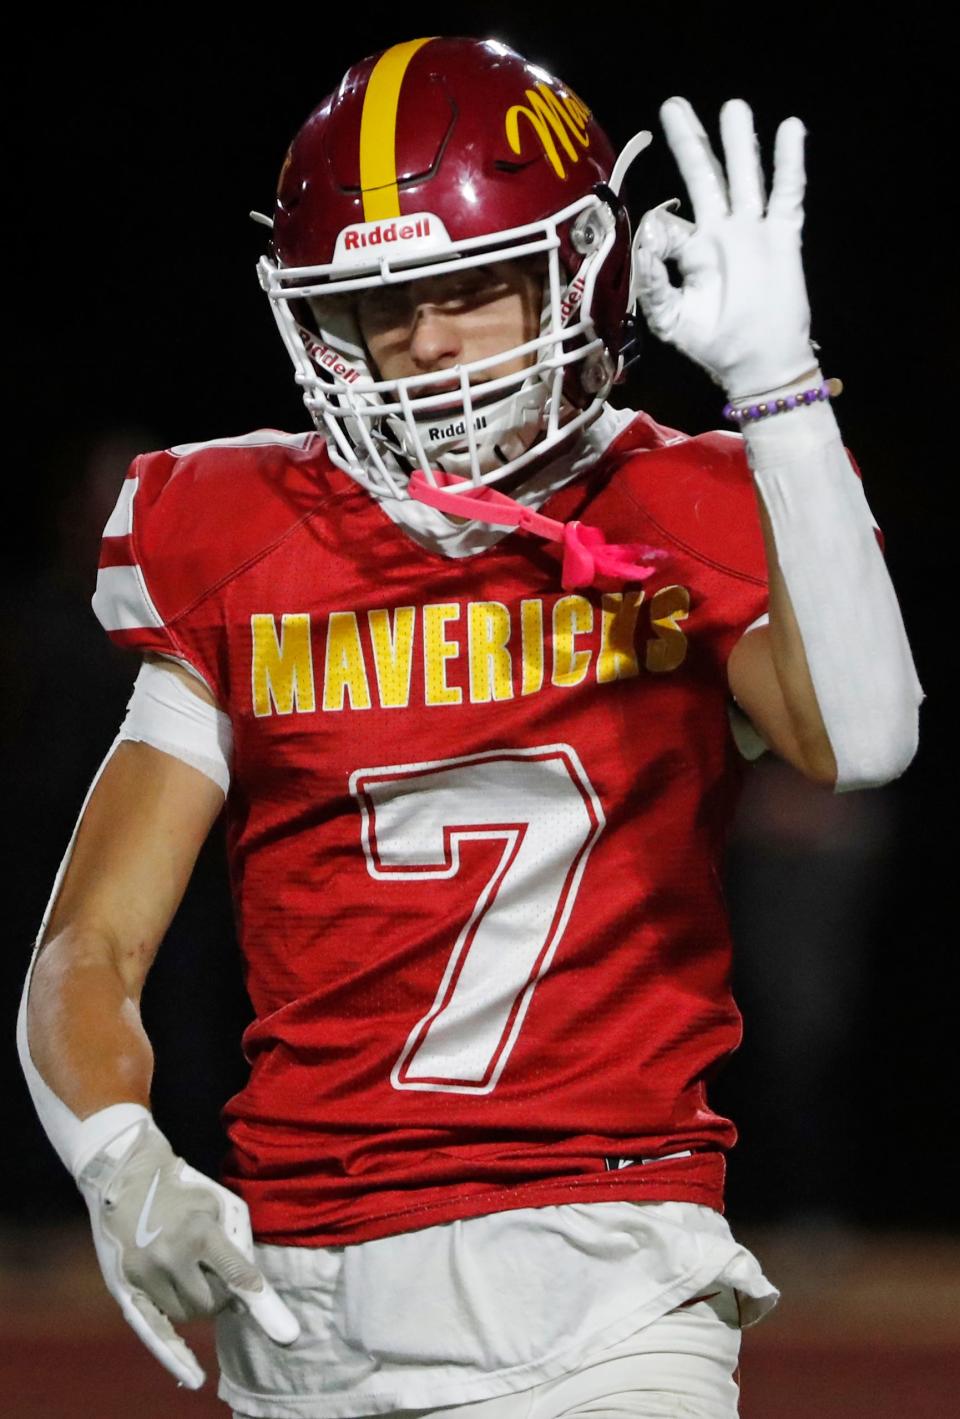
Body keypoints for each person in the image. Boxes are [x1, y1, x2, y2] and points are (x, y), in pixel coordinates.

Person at [17, 35, 922, 1419]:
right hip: (303, 1304)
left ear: (580, 273)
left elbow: (864, 741)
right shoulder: (247, 536)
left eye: (473, 288)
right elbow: (90, 946)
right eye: (386, 303)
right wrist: (118, 1156)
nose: (429, 343)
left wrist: (784, 396)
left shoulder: (682, 498)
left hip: (606, 1284)